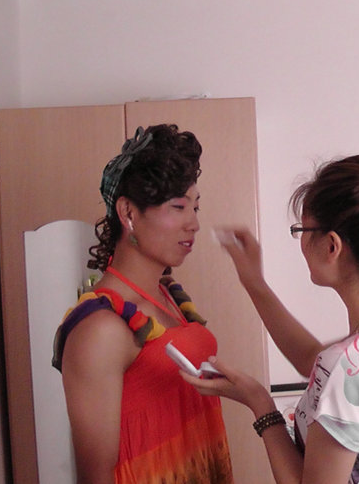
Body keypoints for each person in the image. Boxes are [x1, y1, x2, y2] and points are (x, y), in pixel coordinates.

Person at [184, 154, 359, 484]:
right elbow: (315, 362)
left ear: (331, 245)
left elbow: (337, 371)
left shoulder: (350, 364)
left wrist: (261, 404)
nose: (301, 241)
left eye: (302, 229)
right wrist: (254, 283)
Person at [51, 124, 233, 484]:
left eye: (195, 207)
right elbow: (96, 476)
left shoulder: (169, 297)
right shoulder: (101, 328)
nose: (194, 223)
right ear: (129, 213)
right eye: (178, 207)